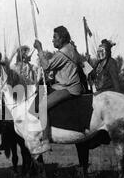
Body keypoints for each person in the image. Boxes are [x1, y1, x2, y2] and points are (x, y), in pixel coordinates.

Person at [33, 26, 85, 154]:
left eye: (55, 37)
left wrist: (39, 49)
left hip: (68, 88)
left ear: (62, 38)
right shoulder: (71, 49)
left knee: (42, 106)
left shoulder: (63, 53)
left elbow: (46, 66)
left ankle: (45, 142)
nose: (53, 40)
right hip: (71, 86)